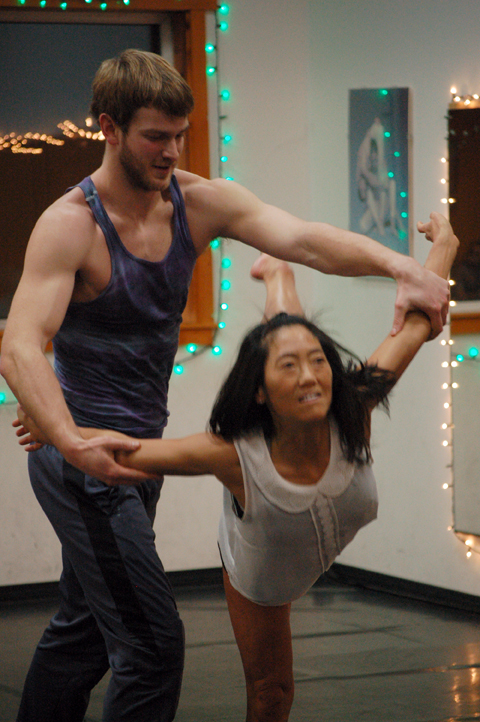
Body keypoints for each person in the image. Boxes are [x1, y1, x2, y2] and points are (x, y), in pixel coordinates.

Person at [0, 47, 450, 722]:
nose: (171, 151)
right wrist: (66, 435)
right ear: (110, 128)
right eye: (156, 136)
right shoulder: (72, 226)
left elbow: (302, 239)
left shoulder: (197, 202)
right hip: (86, 463)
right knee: (152, 645)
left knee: (84, 631)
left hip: (130, 453)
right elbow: (19, 347)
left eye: (180, 136)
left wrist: (400, 267)